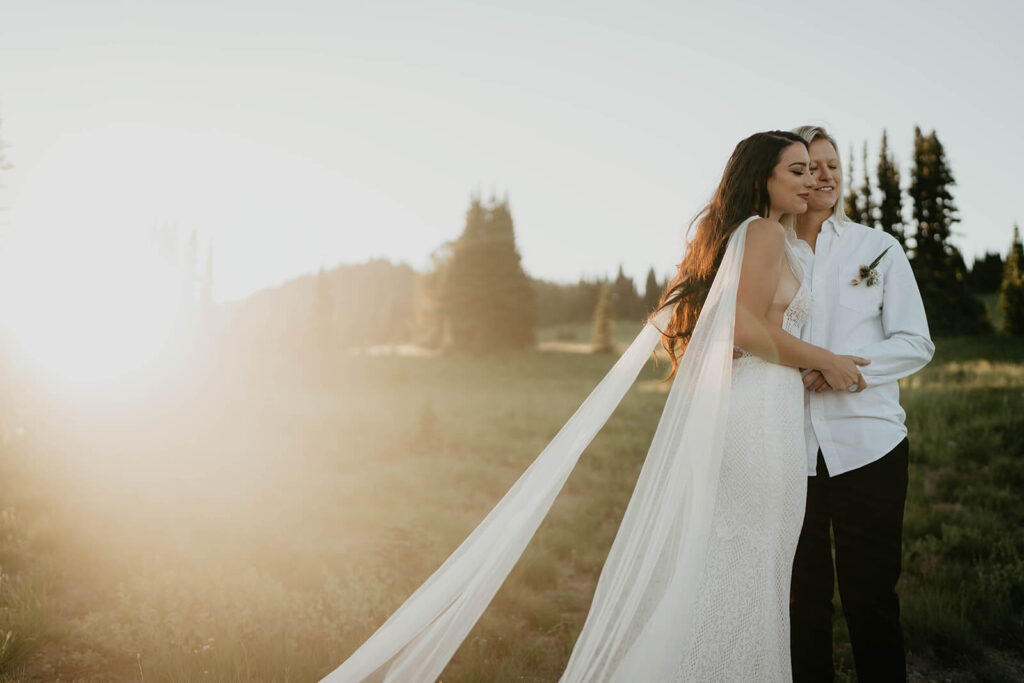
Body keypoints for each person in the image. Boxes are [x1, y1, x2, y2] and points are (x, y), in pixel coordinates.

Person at [322, 132, 867, 683]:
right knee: (749, 566)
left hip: (761, 408)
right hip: (760, 419)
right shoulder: (766, 232)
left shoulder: (750, 235)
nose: (809, 180)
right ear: (762, 177)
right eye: (795, 170)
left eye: (812, 170)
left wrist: (810, 361)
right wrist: (827, 359)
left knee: (741, 566)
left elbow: (742, 331)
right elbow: (744, 327)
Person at [786, 125, 934, 683]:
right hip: (788, 450)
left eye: (831, 164)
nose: (822, 176)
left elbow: (915, 342)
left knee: (871, 598)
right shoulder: (767, 249)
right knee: (802, 603)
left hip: (870, 446)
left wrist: (842, 366)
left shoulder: (878, 248)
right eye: (807, 166)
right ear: (786, 175)